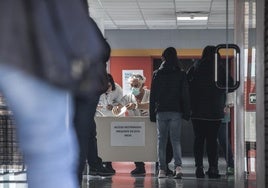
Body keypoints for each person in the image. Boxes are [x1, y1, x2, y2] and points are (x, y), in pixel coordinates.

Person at [0, 1, 110, 188]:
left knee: (45, 149)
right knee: (51, 154)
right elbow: (94, 47)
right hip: (48, 64)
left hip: (12, 53)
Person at [187, 45, 233, 179]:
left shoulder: (195, 67)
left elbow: (187, 84)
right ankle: (213, 169)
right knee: (212, 140)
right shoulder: (219, 68)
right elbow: (230, 84)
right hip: (215, 111)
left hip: (197, 112)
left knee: (199, 140)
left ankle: (199, 168)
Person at [150, 47, 191, 179]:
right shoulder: (181, 74)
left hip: (161, 111)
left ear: (163, 58)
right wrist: (186, 112)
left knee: (161, 141)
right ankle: (178, 167)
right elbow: (185, 94)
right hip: (176, 111)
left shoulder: (157, 74)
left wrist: (152, 113)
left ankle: (162, 170)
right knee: (176, 140)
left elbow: (153, 96)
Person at [112, 74, 150, 175]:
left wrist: (138, 106)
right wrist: (116, 109)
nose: (133, 88)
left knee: (153, 146)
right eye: (131, 85)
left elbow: (153, 104)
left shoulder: (150, 94)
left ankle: (161, 166)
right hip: (136, 128)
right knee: (135, 145)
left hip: (151, 126)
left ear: (143, 84)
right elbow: (120, 106)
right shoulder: (128, 97)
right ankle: (139, 166)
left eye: (136, 85)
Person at [96, 73, 123, 173]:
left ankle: (108, 164)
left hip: (112, 118)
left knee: (109, 142)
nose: (107, 88)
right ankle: (99, 164)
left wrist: (114, 106)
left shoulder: (117, 89)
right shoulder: (95, 88)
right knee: (99, 142)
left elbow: (122, 103)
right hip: (98, 117)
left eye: (109, 85)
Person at [217, 92, 234, 175]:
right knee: (219, 140)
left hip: (222, 112)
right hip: (214, 111)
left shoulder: (225, 80)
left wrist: (227, 105)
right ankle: (214, 166)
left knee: (223, 140)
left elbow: (230, 92)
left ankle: (231, 164)